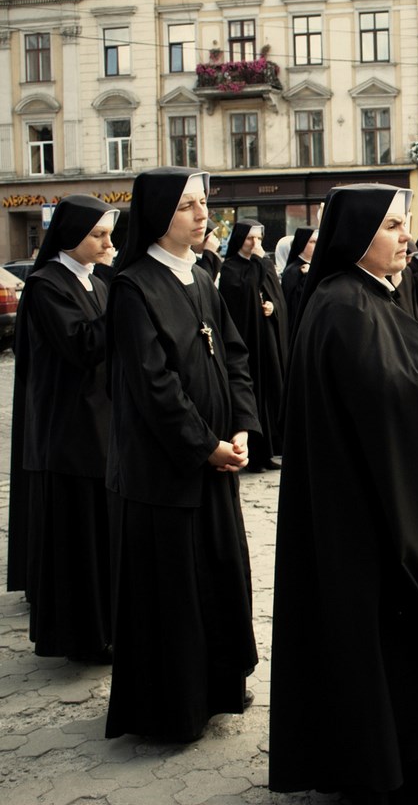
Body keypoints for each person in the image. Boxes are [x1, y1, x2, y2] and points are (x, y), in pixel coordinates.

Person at [270, 184, 418, 804]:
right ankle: (385, 768)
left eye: (405, 226)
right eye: (394, 226)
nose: (407, 236)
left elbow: (389, 401)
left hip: (370, 505)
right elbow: (387, 395)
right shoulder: (344, 305)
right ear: (357, 236)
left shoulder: (363, 296)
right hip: (365, 520)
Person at [105, 167, 259, 742]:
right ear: (157, 215)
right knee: (173, 593)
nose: (203, 216)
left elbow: (235, 356)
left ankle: (218, 687)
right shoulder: (134, 288)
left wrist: (242, 426)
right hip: (164, 475)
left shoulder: (199, 278)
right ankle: (173, 710)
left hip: (216, 463)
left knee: (218, 579)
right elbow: (154, 387)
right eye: (189, 206)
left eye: (203, 204)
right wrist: (205, 446)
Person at [12, 196, 117, 660]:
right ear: (71, 234)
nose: (107, 243)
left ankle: (107, 627)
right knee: (80, 540)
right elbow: (83, 345)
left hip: (100, 423)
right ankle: (84, 638)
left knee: (101, 537)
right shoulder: (45, 284)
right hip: (70, 429)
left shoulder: (95, 281)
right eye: (98, 235)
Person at [219, 221, 288, 472]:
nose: (255, 244)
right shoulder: (230, 268)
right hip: (246, 340)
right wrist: (260, 262)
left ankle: (268, 451)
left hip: (265, 340)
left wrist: (273, 307)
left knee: (269, 393)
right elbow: (243, 294)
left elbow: (275, 294)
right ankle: (255, 455)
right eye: (250, 239)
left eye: (258, 239)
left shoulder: (261, 264)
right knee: (253, 395)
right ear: (240, 239)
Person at [280, 226, 317, 334]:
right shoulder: (292, 271)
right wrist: (307, 277)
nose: (317, 245)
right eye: (313, 242)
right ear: (303, 243)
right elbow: (295, 302)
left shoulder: (314, 267)